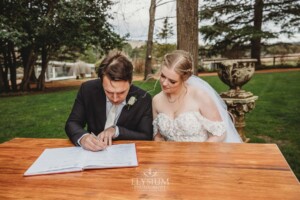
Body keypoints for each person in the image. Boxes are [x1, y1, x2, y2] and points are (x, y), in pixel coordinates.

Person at [65, 51, 153, 151]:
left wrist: (116, 131)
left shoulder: (143, 98)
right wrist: (83, 137)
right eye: (109, 92)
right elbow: (72, 123)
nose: (115, 99)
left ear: (130, 82)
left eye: (121, 92)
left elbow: (146, 135)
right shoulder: (87, 90)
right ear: (101, 82)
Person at [152, 50, 242, 143]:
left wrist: (201, 152)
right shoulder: (156, 100)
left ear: (185, 78)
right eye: (163, 76)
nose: (165, 83)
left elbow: (219, 134)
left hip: (200, 154)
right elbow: (158, 136)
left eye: (172, 81)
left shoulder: (200, 96)